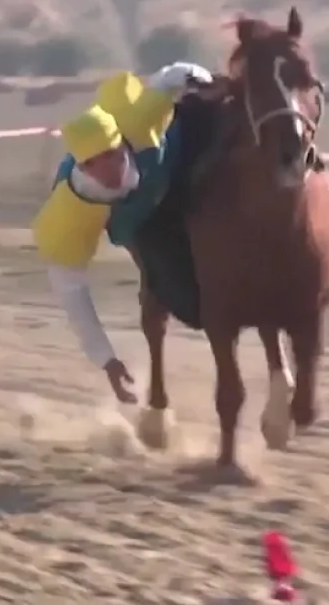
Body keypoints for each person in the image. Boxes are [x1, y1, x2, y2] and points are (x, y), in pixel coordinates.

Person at [33, 61, 217, 403]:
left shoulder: (138, 121)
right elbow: (72, 294)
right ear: (83, 166)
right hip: (140, 220)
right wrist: (107, 361)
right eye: (98, 163)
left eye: (116, 155)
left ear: (122, 141)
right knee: (186, 299)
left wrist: (206, 82)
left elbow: (174, 75)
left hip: (172, 158)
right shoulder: (71, 215)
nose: (113, 168)